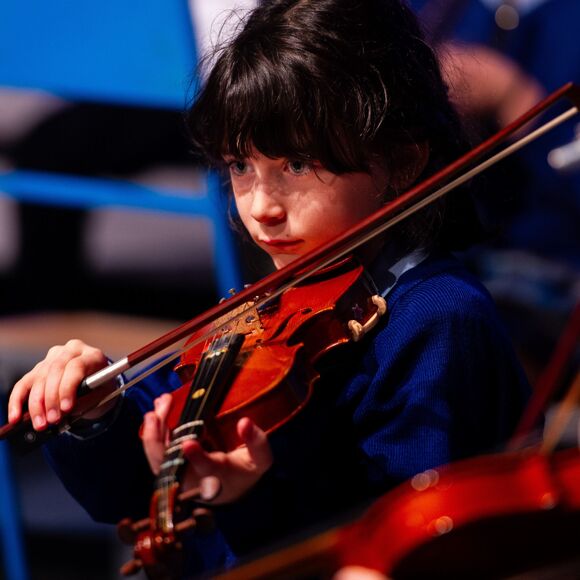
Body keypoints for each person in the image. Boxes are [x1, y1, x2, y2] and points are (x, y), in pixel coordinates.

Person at [7, 0, 531, 577]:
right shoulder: (274, 303)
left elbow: (404, 540)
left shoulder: (438, 318)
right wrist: (97, 413)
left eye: (298, 165)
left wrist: (252, 498)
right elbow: (124, 491)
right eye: (240, 166)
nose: (261, 207)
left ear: (402, 163)